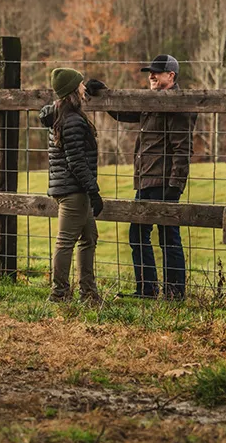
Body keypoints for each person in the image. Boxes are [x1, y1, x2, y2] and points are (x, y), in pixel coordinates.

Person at [86, 54, 196, 300]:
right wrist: (104, 93)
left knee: (168, 236)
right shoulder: (151, 101)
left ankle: (174, 293)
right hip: (146, 180)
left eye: (157, 72)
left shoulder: (179, 104)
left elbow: (183, 148)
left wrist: (175, 185)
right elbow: (125, 111)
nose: (151, 76)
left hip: (163, 182)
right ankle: (147, 289)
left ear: (172, 76)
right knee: (138, 235)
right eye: (150, 72)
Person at [39, 68, 103, 304]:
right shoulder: (73, 120)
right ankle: (60, 294)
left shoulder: (59, 115)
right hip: (73, 190)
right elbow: (76, 161)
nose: (84, 87)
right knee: (66, 241)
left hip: (71, 188)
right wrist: (93, 190)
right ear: (73, 90)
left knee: (89, 237)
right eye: (81, 84)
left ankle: (89, 294)